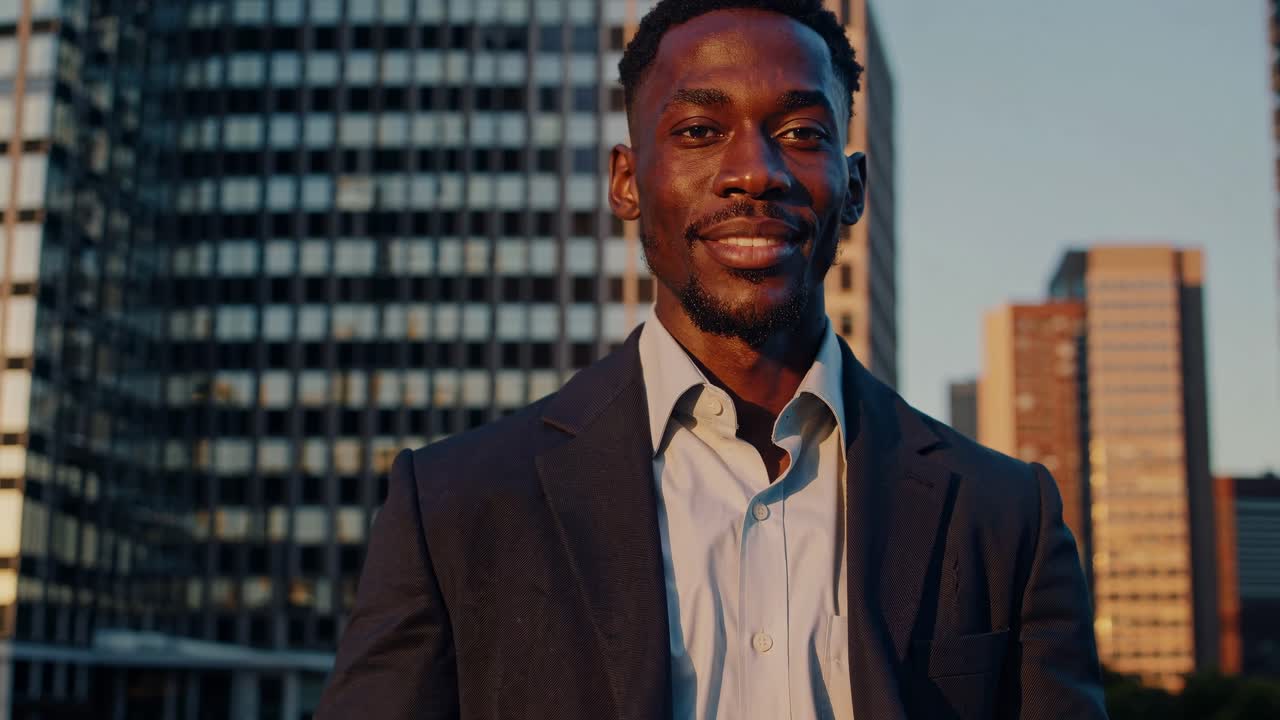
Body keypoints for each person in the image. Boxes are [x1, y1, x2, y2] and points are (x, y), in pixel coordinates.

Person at [315, 1, 1107, 718]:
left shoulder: (1006, 515)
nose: (754, 171)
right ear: (627, 181)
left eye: (801, 134)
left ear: (854, 187)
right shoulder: (455, 505)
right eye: (698, 131)